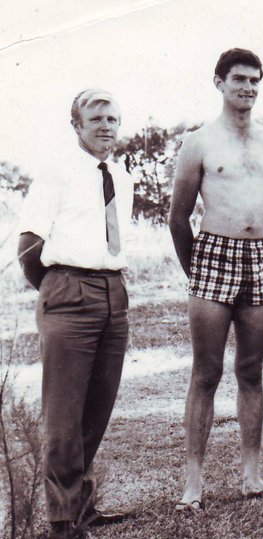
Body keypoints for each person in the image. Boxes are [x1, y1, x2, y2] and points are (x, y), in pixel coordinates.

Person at [169, 48, 263, 510]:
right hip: (212, 254)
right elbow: (179, 219)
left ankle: (252, 477)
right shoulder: (198, 142)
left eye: (255, 81)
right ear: (219, 82)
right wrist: (198, 271)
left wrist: (259, 245)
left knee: (251, 371)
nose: (248, 88)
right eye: (239, 79)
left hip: (260, 253)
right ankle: (193, 484)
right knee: (206, 372)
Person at [18, 89, 132, 538]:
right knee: (64, 414)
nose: (106, 125)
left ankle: (81, 506)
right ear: (76, 125)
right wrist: (58, 289)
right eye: (97, 118)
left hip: (113, 292)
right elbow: (29, 247)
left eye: (113, 118)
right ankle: (61, 522)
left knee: (97, 408)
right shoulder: (56, 174)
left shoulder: (120, 175)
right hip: (68, 289)